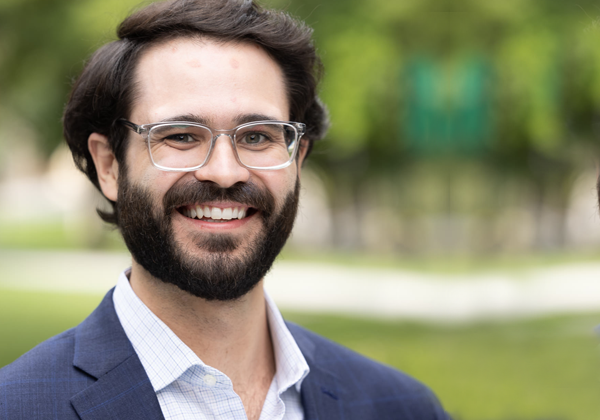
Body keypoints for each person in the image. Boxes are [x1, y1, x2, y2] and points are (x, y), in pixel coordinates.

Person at [0, 0, 450, 419]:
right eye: (180, 135)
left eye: (257, 136)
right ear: (109, 166)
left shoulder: (401, 407)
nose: (224, 172)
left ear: (298, 159)